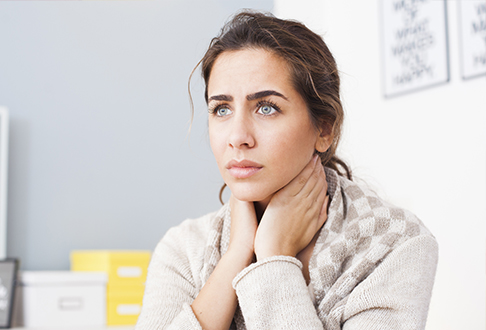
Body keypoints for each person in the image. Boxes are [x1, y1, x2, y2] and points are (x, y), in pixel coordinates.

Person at [135, 11, 438, 330]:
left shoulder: (393, 242)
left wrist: (273, 258)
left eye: (266, 108)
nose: (238, 137)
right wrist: (238, 253)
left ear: (324, 129)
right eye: (222, 109)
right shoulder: (184, 247)